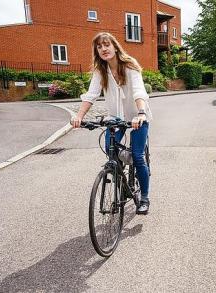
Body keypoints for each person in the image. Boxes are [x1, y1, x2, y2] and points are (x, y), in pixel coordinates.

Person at [70, 32, 152, 214]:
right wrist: (79, 116)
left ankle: (144, 197)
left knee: (138, 157)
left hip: (138, 116)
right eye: (99, 47)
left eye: (106, 45)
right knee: (110, 148)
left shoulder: (130, 66)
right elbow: (91, 95)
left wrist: (140, 113)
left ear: (115, 46)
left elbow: (139, 92)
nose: (103, 49)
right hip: (115, 118)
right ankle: (122, 176)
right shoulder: (101, 71)